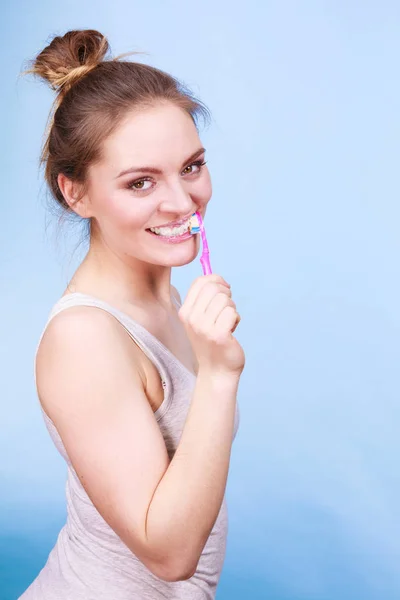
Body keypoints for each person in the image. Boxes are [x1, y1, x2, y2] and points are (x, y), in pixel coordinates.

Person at [20, 29, 244, 600]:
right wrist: (218, 376)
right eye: (140, 182)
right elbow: (168, 554)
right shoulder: (85, 339)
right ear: (77, 194)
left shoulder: (166, 299)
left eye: (191, 167)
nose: (181, 201)